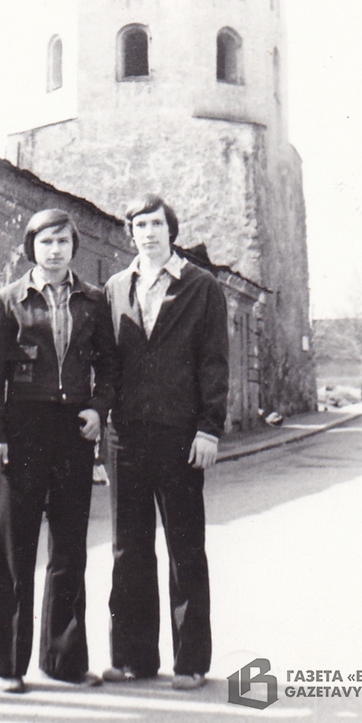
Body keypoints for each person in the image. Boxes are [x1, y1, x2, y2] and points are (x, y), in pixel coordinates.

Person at [0, 208, 117, 693]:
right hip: (23, 429)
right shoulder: (9, 300)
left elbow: (110, 367)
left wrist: (98, 408)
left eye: (62, 241)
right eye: (45, 242)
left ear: (73, 247)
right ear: (31, 248)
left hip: (73, 431)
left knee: (69, 547)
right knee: (14, 548)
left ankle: (64, 660)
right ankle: (5, 665)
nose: (54, 250)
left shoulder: (93, 300)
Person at [102, 194, 229, 691]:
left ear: (171, 230)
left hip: (180, 434)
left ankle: (191, 662)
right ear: (130, 232)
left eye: (156, 224)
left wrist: (209, 428)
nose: (149, 233)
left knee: (184, 548)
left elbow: (214, 361)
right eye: (140, 225)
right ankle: (133, 658)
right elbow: (108, 363)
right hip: (126, 436)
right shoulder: (116, 287)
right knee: (128, 549)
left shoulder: (201, 286)